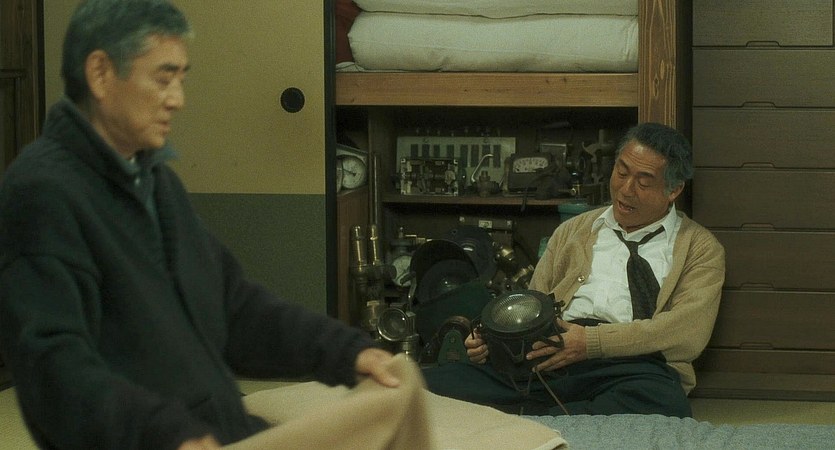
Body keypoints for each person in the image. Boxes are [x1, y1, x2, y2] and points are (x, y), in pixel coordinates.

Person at [0, 1, 420, 449]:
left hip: (215, 428)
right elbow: (54, 369)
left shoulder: (155, 182)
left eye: (181, 80)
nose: (178, 100)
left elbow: (233, 309)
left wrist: (348, 352)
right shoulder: (42, 192)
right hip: (155, 440)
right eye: (163, 79)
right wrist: (165, 434)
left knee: (396, 405)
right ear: (100, 74)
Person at [422, 122, 726, 417]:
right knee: (426, 385)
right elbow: (532, 305)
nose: (626, 189)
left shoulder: (700, 248)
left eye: (644, 182)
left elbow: (686, 332)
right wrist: (492, 342)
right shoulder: (572, 231)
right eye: (621, 172)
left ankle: (530, 421)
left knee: (663, 401)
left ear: (673, 190)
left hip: (633, 366)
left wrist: (591, 343)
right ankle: (564, 419)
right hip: (550, 355)